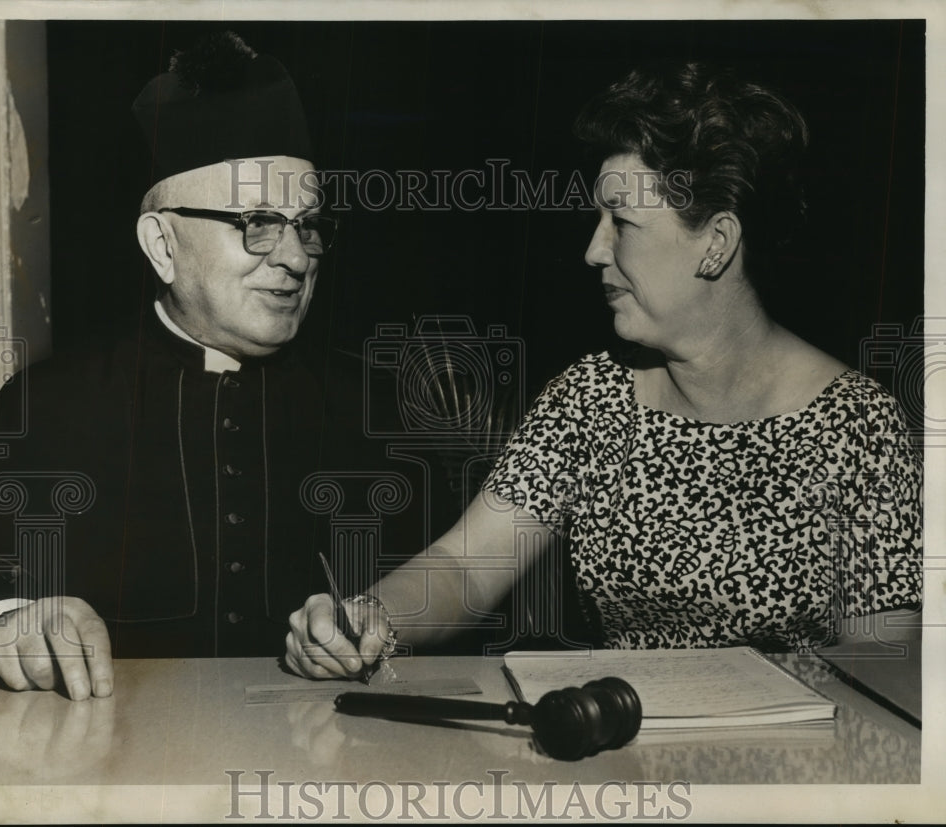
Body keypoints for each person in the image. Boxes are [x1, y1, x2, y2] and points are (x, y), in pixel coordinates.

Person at [285, 62, 923, 679]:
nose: (594, 249)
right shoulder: (593, 396)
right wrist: (368, 619)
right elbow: (467, 565)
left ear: (716, 243)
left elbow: (882, 659)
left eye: (622, 223)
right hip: (624, 765)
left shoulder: (858, 427)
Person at [0, 32, 345, 698]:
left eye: (308, 224)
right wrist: (3, 626)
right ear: (162, 245)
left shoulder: (360, 404)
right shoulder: (46, 409)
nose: (295, 257)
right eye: (258, 221)